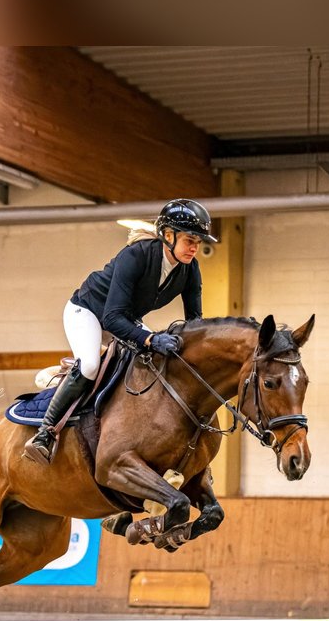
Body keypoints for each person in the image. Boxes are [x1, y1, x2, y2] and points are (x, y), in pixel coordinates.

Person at [24, 198, 217, 464]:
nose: (195, 247)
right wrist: (150, 338)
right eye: (190, 240)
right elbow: (111, 318)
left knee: (158, 363)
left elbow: (195, 321)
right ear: (168, 236)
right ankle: (45, 433)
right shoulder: (136, 256)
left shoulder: (190, 269)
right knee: (90, 365)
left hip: (124, 318)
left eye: (199, 241)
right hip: (89, 311)